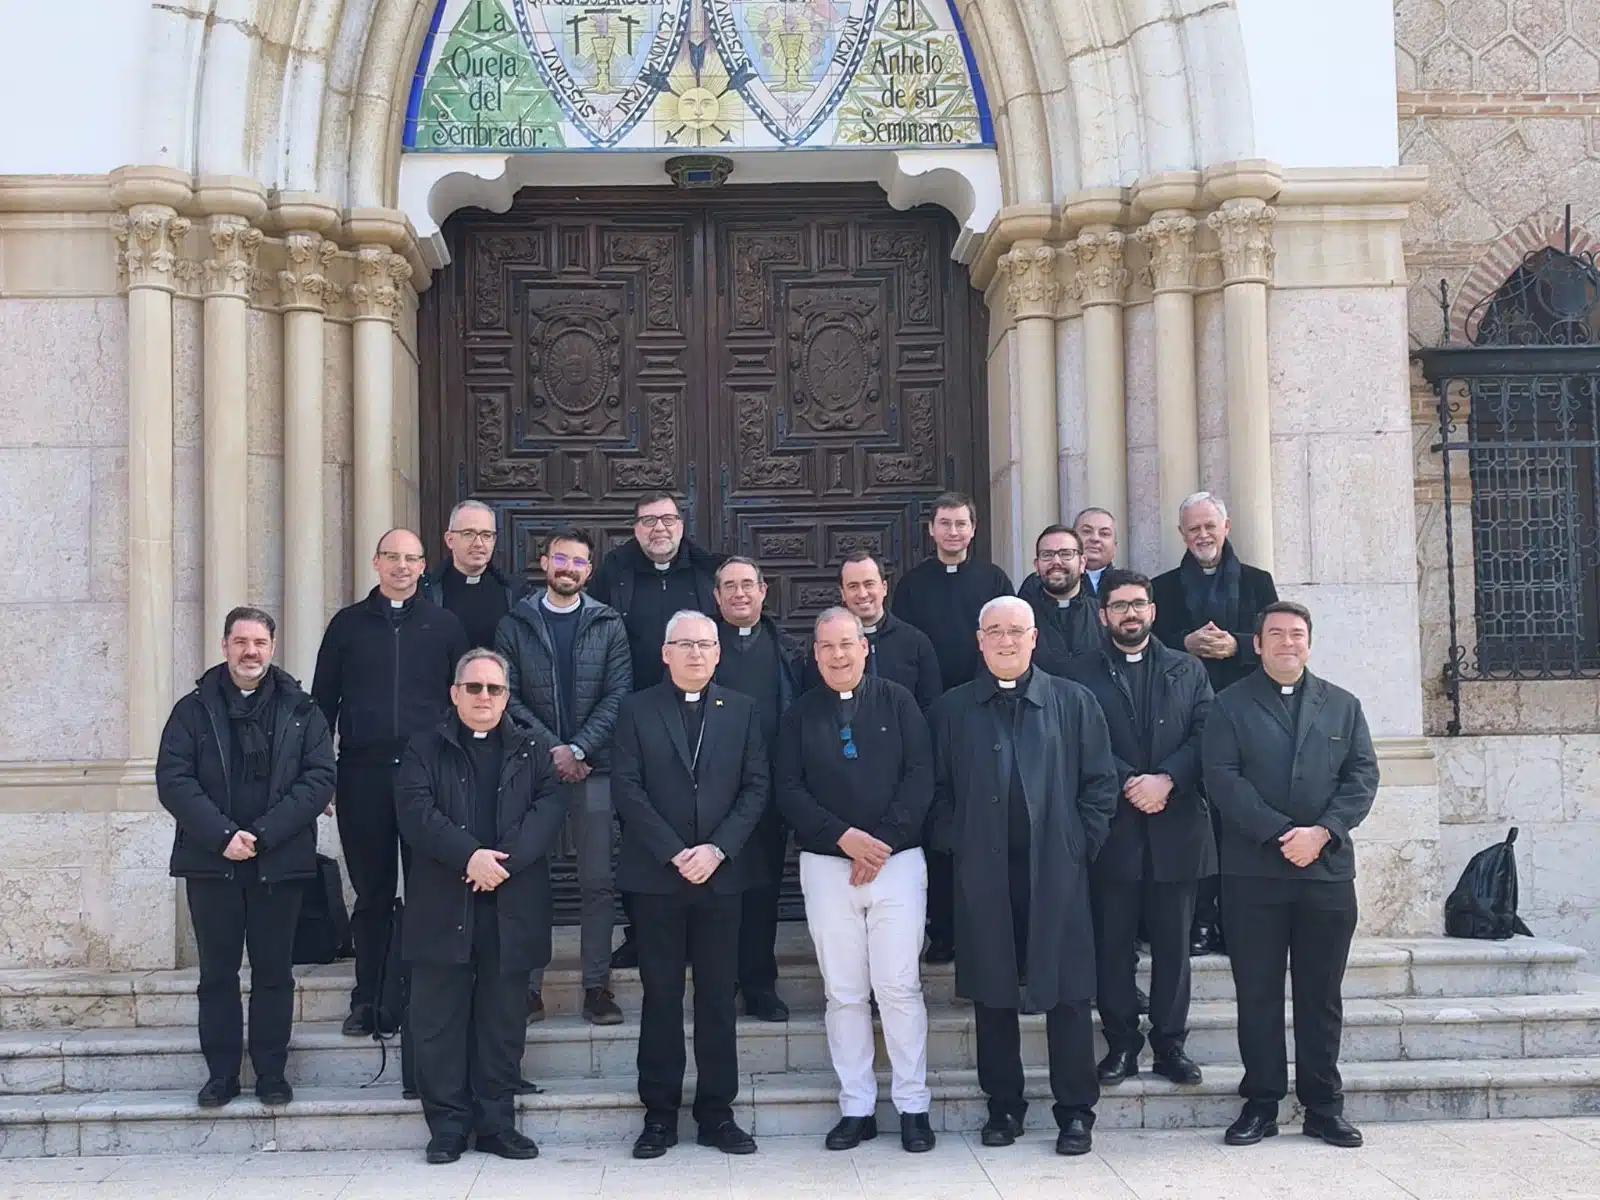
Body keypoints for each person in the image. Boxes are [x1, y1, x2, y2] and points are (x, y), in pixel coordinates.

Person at [928, 596, 1118, 1157]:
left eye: (1016, 631)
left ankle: (1076, 1111)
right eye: (994, 632)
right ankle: (1004, 1106)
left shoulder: (1073, 702)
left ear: (1034, 639)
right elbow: (934, 792)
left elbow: (1100, 785)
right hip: (983, 871)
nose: (1005, 641)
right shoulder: (952, 709)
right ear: (979, 640)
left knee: (1068, 994)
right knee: (993, 992)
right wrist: (956, 840)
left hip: (1056, 870)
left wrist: (1078, 844)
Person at [1201, 601, 1379, 1150]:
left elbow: (1362, 775)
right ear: (1256, 644)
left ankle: (1324, 1106)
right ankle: (1260, 1103)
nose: (1286, 643)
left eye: (1296, 634)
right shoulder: (1229, 706)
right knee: (1256, 993)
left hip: (1325, 873)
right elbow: (1221, 778)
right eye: (1274, 634)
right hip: (1254, 874)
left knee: (1320, 996)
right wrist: (1283, 833)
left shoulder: (1343, 706)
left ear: (1309, 642)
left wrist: (1321, 833)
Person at [155, 606, 335, 1109]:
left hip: (279, 859)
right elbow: (174, 779)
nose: (250, 651)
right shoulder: (192, 710)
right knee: (216, 974)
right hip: (212, 861)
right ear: (224, 646)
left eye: (259, 642)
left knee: (275, 973)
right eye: (240, 641)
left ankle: (272, 1073)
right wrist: (223, 835)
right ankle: (221, 1075)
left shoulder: (303, 710)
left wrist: (261, 834)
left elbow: (319, 777)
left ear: (272, 648)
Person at [395, 649, 567, 1164]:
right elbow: (415, 812)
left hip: (510, 904)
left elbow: (548, 809)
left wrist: (500, 864)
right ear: (455, 693)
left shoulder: (535, 748)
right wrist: (470, 856)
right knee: (438, 1020)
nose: (484, 698)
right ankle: (448, 1125)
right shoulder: (423, 747)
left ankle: (496, 1124)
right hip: (443, 901)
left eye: (494, 690)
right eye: (474, 688)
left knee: (502, 1020)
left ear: (507, 697)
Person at [776, 608, 937, 1155]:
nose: (838, 655)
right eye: (827, 647)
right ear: (815, 654)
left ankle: (913, 1106)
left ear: (866, 647)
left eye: (847, 644)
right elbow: (789, 790)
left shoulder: (899, 701)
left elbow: (921, 775)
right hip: (827, 867)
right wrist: (843, 837)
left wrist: (881, 842)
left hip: (896, 864)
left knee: (898, 987)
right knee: (844, 993)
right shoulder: (798, 715)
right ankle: (857, 1107)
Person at [611, 611, 769, 1160]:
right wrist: (675, 851)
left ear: (718, 653)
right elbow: (627, 789)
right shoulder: (635, 710)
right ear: (665, 652)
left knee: (718, 999)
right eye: (684, 644)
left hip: (721, 878)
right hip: (657, 877)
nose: (696, 653)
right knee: (660, 997)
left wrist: (717, 849)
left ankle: (716, 1114)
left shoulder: (743, 711)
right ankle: (658, 1116)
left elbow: (756, 788)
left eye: (705, 644)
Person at [1060, 570, 1214, 1090]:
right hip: (1112, 828)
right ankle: (1121, 1043)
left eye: (1139, 604)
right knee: (1113, 944)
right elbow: (1078, 741)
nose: (1130, 614)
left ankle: (1171, 1045)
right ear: (1103, 614)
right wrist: (1131, 781)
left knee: (1174, 946)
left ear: (1153, 611)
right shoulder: (1079, 673)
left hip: (1176, 826)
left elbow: (1206, 732)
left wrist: (1168, 778)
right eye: (1120, 605)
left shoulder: (1188, 670)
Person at [312, 529, 469, 1037]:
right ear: (375, 562)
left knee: (429, 891)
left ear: (425, 565)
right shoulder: (346, 627)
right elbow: (322, 705)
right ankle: (369, 1000)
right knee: (373, 894)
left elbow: (460, 708)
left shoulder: (445, 626)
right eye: (392, 557)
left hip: (429, 780)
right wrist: (324, 777)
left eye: (412, 558)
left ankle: (421, 999)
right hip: (362, 775)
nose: (402, 566)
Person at [495, 528, 631, 1025]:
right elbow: (506, 693)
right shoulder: (515, 623)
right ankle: (530, 988)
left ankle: (596, 986)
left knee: (597, 879)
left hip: (595, 771)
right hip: (534, 772)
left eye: (578, 561)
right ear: (544, 562)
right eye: (560, 558)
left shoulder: (608, 623)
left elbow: (619, 693)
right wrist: (553, 749)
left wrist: (578, 747)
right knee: (532, 879)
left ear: (588, 572)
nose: (568, 568)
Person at [589, 492, 721, 968]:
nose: (658, 528)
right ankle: (641, 933)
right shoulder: (614, 573)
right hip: (637, 722)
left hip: (702, 720)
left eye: (666, 519)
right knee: (639, 830)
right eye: (647, 521)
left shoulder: (708, 572)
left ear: (682, 525)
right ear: (635, 527)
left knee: (704, 819)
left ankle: (705, 928)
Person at [1152, 491, 1280, 956]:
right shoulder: (1162, 588)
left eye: (1210, 526)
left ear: (1226, 528)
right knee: (1195, 825)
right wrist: (1184, 642)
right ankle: (1200, 921)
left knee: (1240, 821)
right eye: (1193, 528)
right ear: (1182, 534)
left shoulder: (1257, 581)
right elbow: (1149, 643)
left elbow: (1277, 638)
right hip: (1184, 720)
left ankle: (1239, 920)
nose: (1202, 535)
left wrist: (1238, 647)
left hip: (1244, 716)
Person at [889, 492, 1012, 965]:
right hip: (932, 719)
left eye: (961, 523)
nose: (954, 532)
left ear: (973, 528)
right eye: (945, 523)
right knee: (939, 824)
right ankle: (941, 932)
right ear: (932, 530)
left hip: (987, 713)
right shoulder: (913, 586)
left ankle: (989, 931)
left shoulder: (994, 579)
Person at [712, 556, 806, 1023]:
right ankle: (720, 981)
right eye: (729, 587)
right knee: (720, 892)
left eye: (747, 585)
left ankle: (759, 984)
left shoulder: (789, 650)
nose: (740, 594)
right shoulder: (701, 646)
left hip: (769, 792)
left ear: (764, 591)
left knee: (764, 891)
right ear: (717, 597)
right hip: (711, 794)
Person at [838, 551, 941, 711]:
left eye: (869, 584)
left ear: (884, 588)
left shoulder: (916, 643)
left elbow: (931, 707)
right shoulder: (830, 645)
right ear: (843, 594)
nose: (863, 594)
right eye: (853, 586)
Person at [420, 500, 521, 650]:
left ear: (494, 540)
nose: (479, 543)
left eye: (486, 535)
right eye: (469, 534)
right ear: (450, 540)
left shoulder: (514, 592)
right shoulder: (425, 592)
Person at [1018, 525, 1102, 675]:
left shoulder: (1104, 617)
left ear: (1082, 563)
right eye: (1047, 554)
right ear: (1037, 565)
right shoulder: (1019, 620)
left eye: (1066, 554)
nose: (1056, 561)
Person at [1073, 508, 1118, 597]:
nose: (1095, 538)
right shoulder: (1050, 582)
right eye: (1087, 531)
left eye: (1104, 534)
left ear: (1115, 547)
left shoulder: (1128, 586)